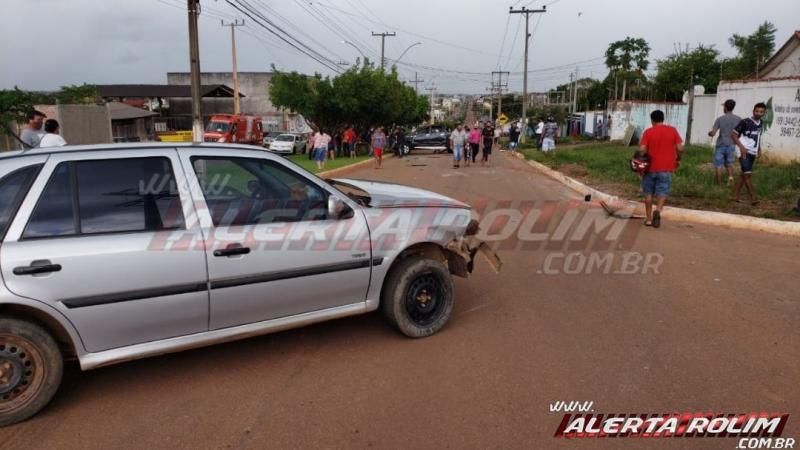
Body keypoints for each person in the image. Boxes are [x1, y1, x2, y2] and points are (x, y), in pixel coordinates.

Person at [639, 110, 684, 228]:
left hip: (650, 168)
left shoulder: (648, 132)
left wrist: (641, 159)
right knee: (663, 191)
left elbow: (642, 149)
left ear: (652, 120)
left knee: (648, 193)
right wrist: (678, 158)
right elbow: (680, 148)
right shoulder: (672, 130)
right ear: (663, 119)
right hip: (666, 168)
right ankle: (658, 210)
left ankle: (648, 219)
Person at [731, 102, 767, 206]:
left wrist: (759, 149)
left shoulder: (761, 123)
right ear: (753, 111)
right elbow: (733, 135)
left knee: (743, 174)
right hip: (743, 151)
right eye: (757, 111)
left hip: (753, 151)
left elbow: (758, 137)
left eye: (761, 112)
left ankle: (734, 195)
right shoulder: (745, 122)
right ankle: (753, 198)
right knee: (748, 175)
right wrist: (741, 147)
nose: (758, 113)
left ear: (764, 113)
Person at [708, 99, 742, 185]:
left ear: (726, 108)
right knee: (729, 163)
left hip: (721, 144)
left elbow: (713, 133)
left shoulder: (720, 119)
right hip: (732, 144)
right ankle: (730, 178)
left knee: (718, 165)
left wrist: (710, 133)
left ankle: (719, 184)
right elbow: (740, 133)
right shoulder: (739, 119)